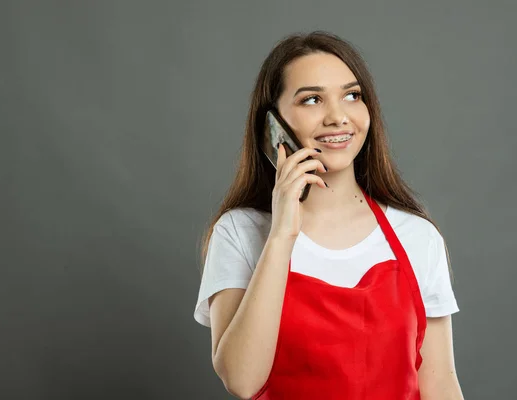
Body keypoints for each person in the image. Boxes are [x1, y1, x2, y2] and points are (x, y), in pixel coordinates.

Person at [193, 30, 464, 399]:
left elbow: (441, 383)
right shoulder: (239, 232)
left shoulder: (417, 236)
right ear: (272, 124)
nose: (338, 117)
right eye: (312, 100)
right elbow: (241, 380)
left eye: (352, 95)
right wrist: (282, 235)